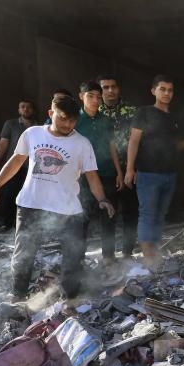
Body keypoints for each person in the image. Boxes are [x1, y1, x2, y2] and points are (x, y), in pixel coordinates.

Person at [0, 95, 115, 300]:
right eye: (63, 118)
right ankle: (18, 297)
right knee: (23, 256)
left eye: (72, 120)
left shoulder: (82, 144)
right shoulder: (32, 134)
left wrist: (103, 199)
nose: (68, 124)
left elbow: (92, 176)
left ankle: (69, 299)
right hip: (31, 204)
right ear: (50, 113)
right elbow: (16, 161)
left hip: (68, 209)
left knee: (73, 256)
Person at [125, 75, 184, 268]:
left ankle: (154, 250)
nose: (166, 93)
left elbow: (176, 146)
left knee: (160, 214)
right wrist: (130, 168)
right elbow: (134, 141)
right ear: (153, 91)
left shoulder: (173, 118)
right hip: (148, 174)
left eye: (170, 90)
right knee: (148, 214)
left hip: (169, 175)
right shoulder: (144, 113)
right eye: (162, 89)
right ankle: (148, 257)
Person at [75, 81, 122, 263]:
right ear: (81, 96)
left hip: (107, 172)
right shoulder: (75, 120)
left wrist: (118, 171)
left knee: (109, 217)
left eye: (97, 96)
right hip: (82, 177)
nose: (95, 100)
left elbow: (112, 146)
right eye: (90, 96)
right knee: (82, 219)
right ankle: (77, 259)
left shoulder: (106, 120)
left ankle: (108, 258)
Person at [97, 74, 139, 258]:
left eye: (113, 86)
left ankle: (128, 253)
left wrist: (134, 168)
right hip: (104, 172)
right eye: (105, 87)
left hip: (130, 169)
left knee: (130, 213)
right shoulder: (94, 112)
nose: (110, 90)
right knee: (107, 215)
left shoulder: (132, 111)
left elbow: (139, 141)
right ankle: (108, 256)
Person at [0, 99, 38, 228]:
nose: (25, 109)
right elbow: (3, 143)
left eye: (28, 107)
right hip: (14, 167)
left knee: (30, 197)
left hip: (33, 169)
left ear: (33, 110)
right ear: (18, 110)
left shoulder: (39, 127)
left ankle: (28, 227)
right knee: (9, 195)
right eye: (22, 107)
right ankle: (7, 225)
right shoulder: (11, 124)